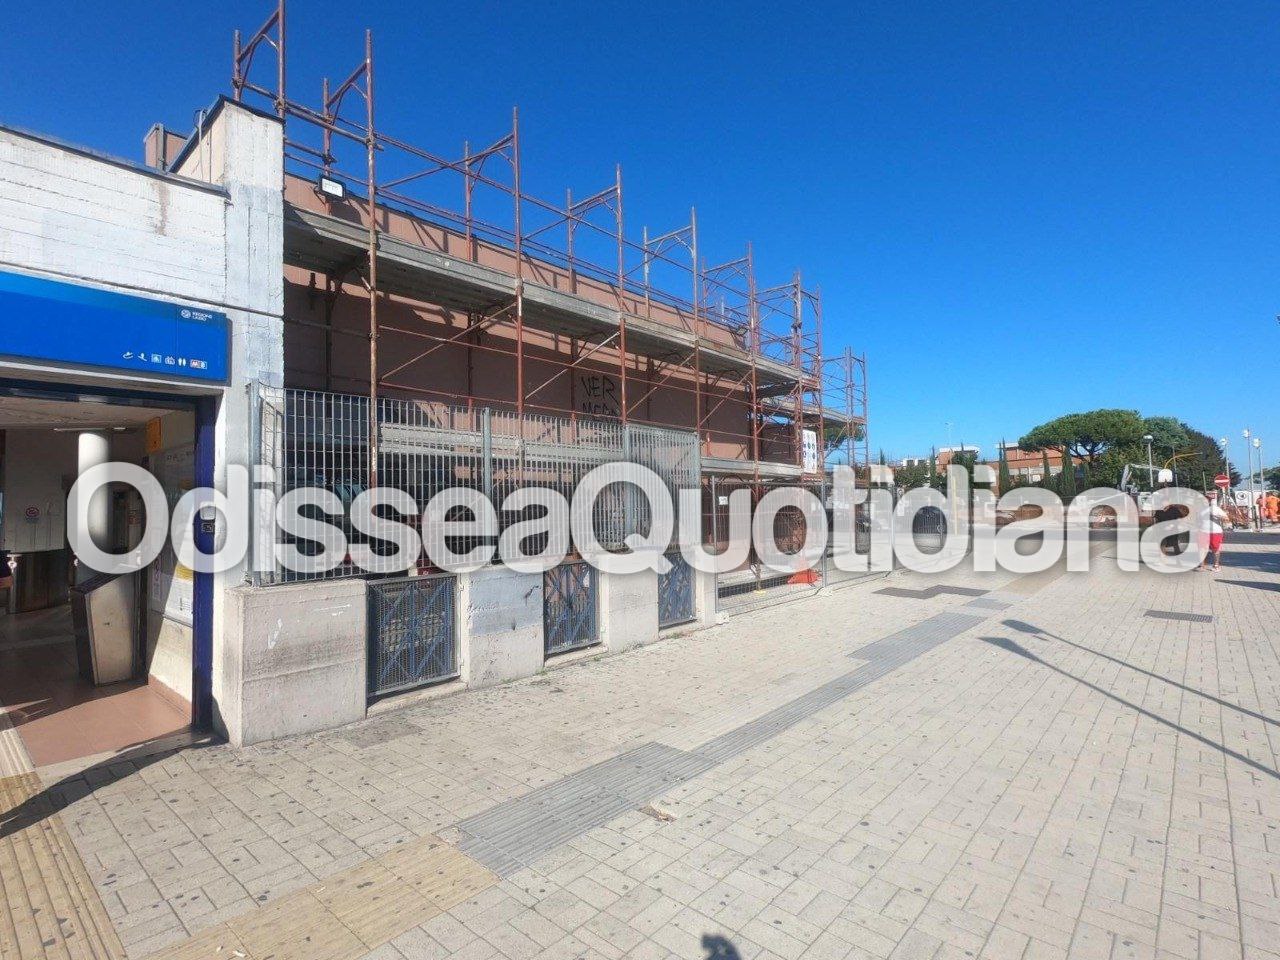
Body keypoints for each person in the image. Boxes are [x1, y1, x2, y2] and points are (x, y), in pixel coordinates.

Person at [1198, 491, 1228, 572]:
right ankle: (1202, 566)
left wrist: (1217, 516)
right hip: (1203, 531)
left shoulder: (1216, 509)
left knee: (1215, 549)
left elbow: (1226, 519)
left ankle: (1216, 566)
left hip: (1215, 532)